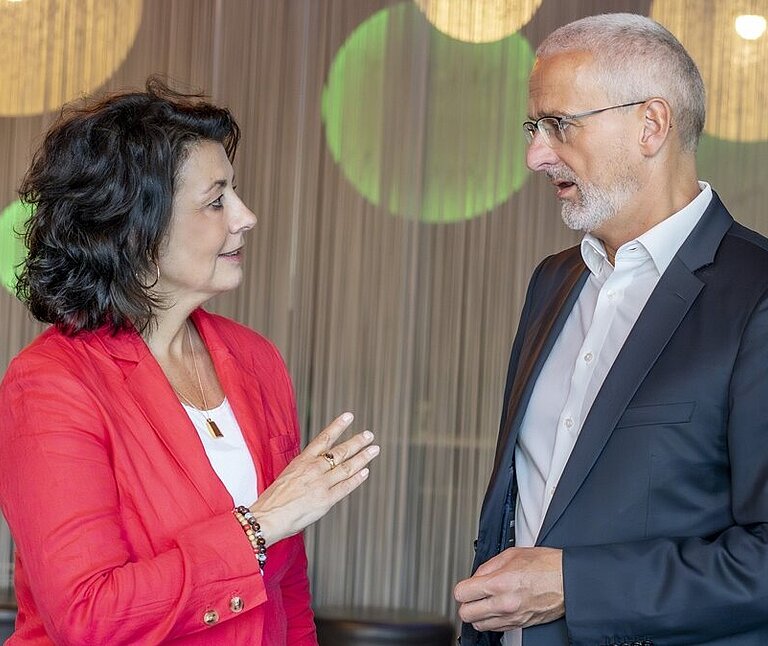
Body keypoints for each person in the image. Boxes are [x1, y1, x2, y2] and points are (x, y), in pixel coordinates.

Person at [0, 77, 380, 645]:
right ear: (136, 229)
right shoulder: (51, 384)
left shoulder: (256, 359)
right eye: (216, 200)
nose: (246, 216)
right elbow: (89, 616)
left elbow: (289, 592)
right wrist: (260, 526)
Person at [455, 12, 768, 646]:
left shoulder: (756, 295)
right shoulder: (553, 281)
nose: (536, 155)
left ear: (651, 124)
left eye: (559, 125)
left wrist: (576, 586)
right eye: (533, 127)